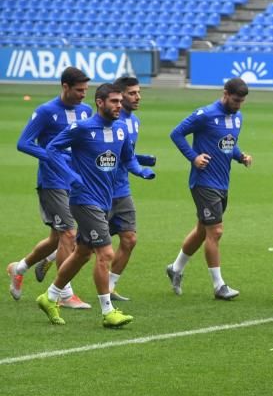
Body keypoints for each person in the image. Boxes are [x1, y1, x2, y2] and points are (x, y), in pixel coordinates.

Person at [35, 83, 154, 328]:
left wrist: (140, 170)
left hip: (108, 199)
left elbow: (127, 158)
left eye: (120, 102)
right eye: (113, 101)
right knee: (106, 253)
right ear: (99, 102)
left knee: (82, 253)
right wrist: (68, 174)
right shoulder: (82, 128)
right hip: (83, 199)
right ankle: (108, 312)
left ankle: (50, 297)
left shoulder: (121, 129)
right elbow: (51, 149)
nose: (118, 106)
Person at [9, 67, 93, 309]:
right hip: (52, 181)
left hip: (76, 179)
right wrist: (52, 156)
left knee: (57, 238)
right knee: (68, 233)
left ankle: (20, 267)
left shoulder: (85, 111)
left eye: (86, 90)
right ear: (65, 87)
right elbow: (23, 143)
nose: (83, 95)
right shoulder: (46, 112)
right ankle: (64, 294)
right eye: (79, 90)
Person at [166, 78, 252, 300]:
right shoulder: (205, 114)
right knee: (216, 231)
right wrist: (194, 157)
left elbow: (228, 143)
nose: (238, 105)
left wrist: (240, 156)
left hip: (222, 182)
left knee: (202, 230)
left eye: (242, 101)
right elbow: (176, 133)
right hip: (204, 182)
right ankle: (218, 285)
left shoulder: (237, 117)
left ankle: (175, 268)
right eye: (235, 100)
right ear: (225, 93)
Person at [106, 76, 156, 302]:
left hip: (122, 189)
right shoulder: (108, 121)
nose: (138, 97)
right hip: (102, 190)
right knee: (84, 246)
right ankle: (59, 285)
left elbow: (126, 155)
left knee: (129, 239)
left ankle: (109, 287)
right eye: (133, 93)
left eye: (139, 92)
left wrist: (141, 160)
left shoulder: (134, 122)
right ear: (119, 96)